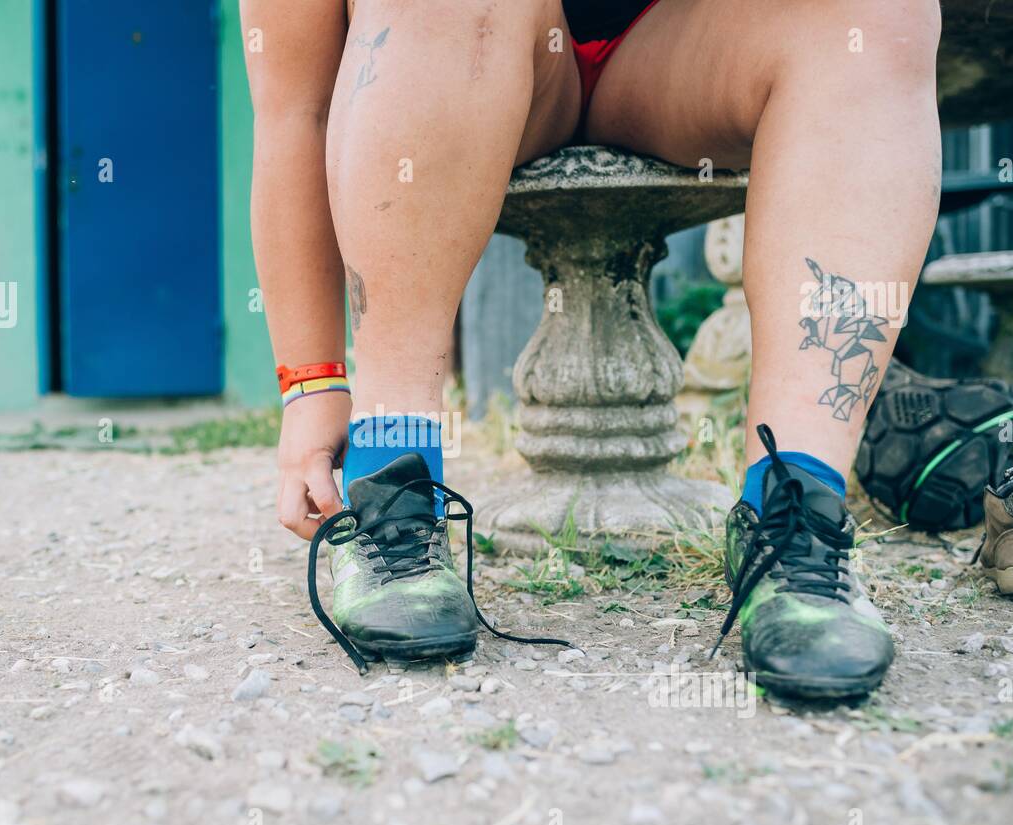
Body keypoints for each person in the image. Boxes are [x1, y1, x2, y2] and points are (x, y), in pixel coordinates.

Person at [242, 0, 942, 698]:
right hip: (463, 52)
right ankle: (391, 482)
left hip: (676, 53)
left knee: (879, 14)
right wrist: (311, 383)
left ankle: (796, 514)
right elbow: (294, 108)